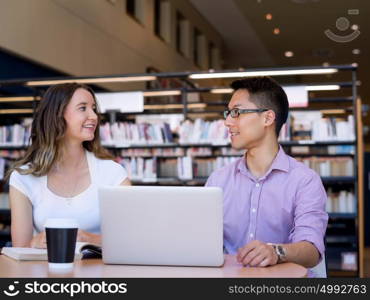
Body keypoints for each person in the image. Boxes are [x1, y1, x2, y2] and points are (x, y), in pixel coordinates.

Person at [206, 77, 328, 272]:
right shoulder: (218, 180)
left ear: (268, 118)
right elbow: (203, 241)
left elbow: (312, 250)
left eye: (236, 112)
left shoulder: (305, 181)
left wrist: (276, 252)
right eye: (228, 113)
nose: (227, 122)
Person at [7, 83, 130, 248]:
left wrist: (91, 240)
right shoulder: (23, 178)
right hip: (44, 271)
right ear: (57, 115)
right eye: (82, 108)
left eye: (94, 108)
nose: (93, 116)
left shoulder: (114, 174)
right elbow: (20, 248)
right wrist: (34, 243)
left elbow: (130, 239)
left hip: (100, 273)